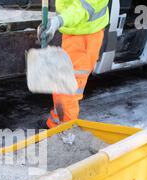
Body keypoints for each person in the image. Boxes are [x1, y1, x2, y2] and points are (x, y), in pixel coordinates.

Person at [38, 0, 110, 128]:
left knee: (67, 89)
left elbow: (83, 8)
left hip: (85, 37)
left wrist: (58, 21)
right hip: (73, 31)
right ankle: (55, 125)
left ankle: (65, 132)